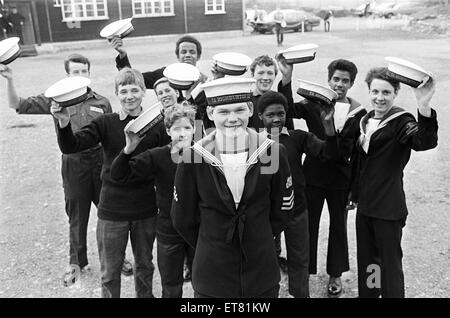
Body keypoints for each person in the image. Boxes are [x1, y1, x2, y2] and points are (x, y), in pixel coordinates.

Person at [0, 54, 135, 286]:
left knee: (109, 212)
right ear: (67, 75)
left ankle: (116, 256)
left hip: (100, 161)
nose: (80, 76)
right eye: (75, 72)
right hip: (74, 163)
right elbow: (16, 104)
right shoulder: (55, 101)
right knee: (77, 214)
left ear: (89, 74)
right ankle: (76, 262)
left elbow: (112, 133)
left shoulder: (102, 101)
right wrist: (9, 79)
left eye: (84, 71)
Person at [50, 68, 171, 298]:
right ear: (116, 93)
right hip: (112, 208)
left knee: (145, 265)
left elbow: (169, 160)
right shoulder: (106, 123)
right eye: (123, 91)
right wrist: (64, 123)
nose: (129, 96)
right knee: (110, 272)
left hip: (145, 207)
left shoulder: (157, 124)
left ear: (143, 92)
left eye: (135, 90)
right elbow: (71, 146)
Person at [171, 77, 293, 298]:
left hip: (260, 269)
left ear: (249, 109)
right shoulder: (193, 157)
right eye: (223, 112)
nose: (232, 119)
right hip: (212, 271)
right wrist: (212, 241)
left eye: (239, 110)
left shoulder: (271, 152)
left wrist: (258, 236)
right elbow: (183, 218)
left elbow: (282, 209)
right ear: (210, 114)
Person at [355, 68, 438, 298]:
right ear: (369, 91)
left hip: (388, 209)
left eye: (386, 92)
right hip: (366, 208)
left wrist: (423, 106)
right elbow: (360, 165)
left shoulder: (402, 121)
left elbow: (424, 141)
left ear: (396, 93)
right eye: (375, 91)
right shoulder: (365, 120)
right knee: (370, 265)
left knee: (389, 268)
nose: (379, 97)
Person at [288, 59, 366, 296]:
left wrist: (355, 190)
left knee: (338, 227)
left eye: (345, 80)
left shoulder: (359, 113)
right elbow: (288, 108)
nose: (340, 84)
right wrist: (285, 78)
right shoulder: (313, 104)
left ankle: (335, 273)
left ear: (351, 84)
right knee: (307, 226)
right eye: (336, 79)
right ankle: (305, 272)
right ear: (328, 80)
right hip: (312, 177)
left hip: (341, 181)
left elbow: (358, 154)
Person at [258, 91, 338, 298]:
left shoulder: (298, 137)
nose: (276, 119)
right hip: (265, 213)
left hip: (296, 209)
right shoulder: (253, 143)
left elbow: (328, 154)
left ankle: (300, 294)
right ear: (260, 117)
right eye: (270, 115)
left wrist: (328, 127)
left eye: (281, 113)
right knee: (265, 258)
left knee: (299, 258)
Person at [111, 104, 196, 297]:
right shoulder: (157, 156)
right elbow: (119, 174)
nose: (182, 133)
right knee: (171, 285)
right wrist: (128, 149)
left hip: (199, 232)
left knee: (203, 283)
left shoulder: (204, 156)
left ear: (194, 129)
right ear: (167, 130)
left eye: (187, 128)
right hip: (169, 232)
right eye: (176, 129)